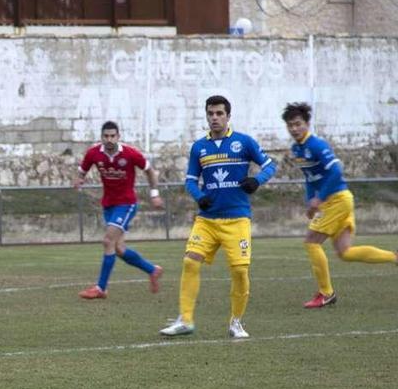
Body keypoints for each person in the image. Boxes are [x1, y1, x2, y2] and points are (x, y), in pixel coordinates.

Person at [159, 95, 277, 339]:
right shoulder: (199, 147)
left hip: (237, 219)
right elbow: (190, 180)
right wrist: (199, 196)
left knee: (240, 272)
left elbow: (270, 165)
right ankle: (185, 319)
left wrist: (257, 180)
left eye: (219, 113)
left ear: (228, 116)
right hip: (207, 220)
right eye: (210, 113)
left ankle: (236, 322)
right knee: (190, 261)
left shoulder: (244, 142)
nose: (214, 118)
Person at [282, 102, 398, 308]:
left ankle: (326, 293)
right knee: (345, 252)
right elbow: (309, 177)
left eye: (298, 124)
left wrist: (320, 198)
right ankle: (393, 257)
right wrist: (311, 200)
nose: (294, 129)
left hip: (337, 200)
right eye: (290, 125)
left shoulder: (317, 145)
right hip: (335, 202)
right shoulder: (296, 149)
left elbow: (336, 171)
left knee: (311, 242)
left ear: (307, 124)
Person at [73, 121, 164, 299]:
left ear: (118, 136)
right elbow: (82, 170)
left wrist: (154, 194)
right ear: (101, 137)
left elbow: (150, 171)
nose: (109, 139)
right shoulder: (93, 153)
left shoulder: (130, 153)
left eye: (112, 136)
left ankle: (101, 288)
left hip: (126, 203)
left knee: (108, 241)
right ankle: (152, 270)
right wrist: (79, 179)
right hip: (108, 204)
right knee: (119, 249)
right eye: (106, 136)